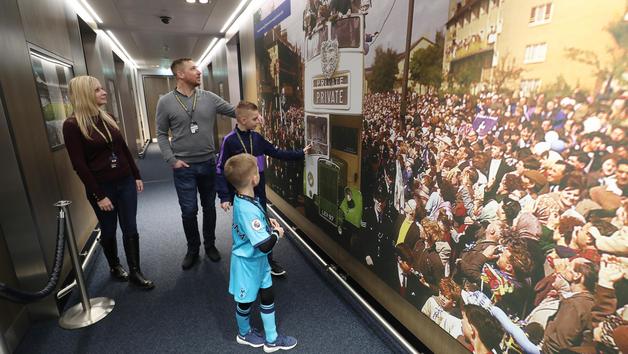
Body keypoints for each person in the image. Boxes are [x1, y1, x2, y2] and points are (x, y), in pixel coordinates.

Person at [63, 75, 154, 289]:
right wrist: (99, 195)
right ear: (85, 95)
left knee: (130, 226)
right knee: (109, 229)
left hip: (125, 181)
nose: (103, 92)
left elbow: (122, 150)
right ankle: (114, 266)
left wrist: (136, 175)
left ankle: (135, 271)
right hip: (102, 187)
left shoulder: (108, 117)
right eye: (97, 90)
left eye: (102, 89)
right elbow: (80, 165)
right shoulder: (72, 125)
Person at [156, 57, 236, 270]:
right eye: (193, 69)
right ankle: (193, 249)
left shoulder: (209, 97)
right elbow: (161, 134)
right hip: (184, 168)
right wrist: (171, 160)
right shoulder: (165, 102)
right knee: (189, 211)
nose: (199, 72)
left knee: (209, 207)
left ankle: (210, 245)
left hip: (209, 163)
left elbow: (236, 111)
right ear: (180, 74)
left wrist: (254, 114)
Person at [216, 101, 310, 276]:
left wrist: (301, 153)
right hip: (239, 193)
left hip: (258, 193)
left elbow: (277, 152)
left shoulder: (257, 138)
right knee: (245, 227)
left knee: (264, 224)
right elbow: (220, 168)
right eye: (254, 118)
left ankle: (268, 261)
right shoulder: (229, 140)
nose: (258, 120)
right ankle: (249, 261)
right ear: (243, 120)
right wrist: (224, 196)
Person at [223, 153, 297, 352]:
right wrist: (276, 233)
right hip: (246, 263)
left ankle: (272, 339)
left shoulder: (245, 198)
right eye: (257, 171)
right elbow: (264, 245)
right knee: (245, 302)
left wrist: (266, 222)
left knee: (267, 295)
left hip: (260, 262)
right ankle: (244, 333)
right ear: (254, 179)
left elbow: (255, 221)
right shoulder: (246, 208)